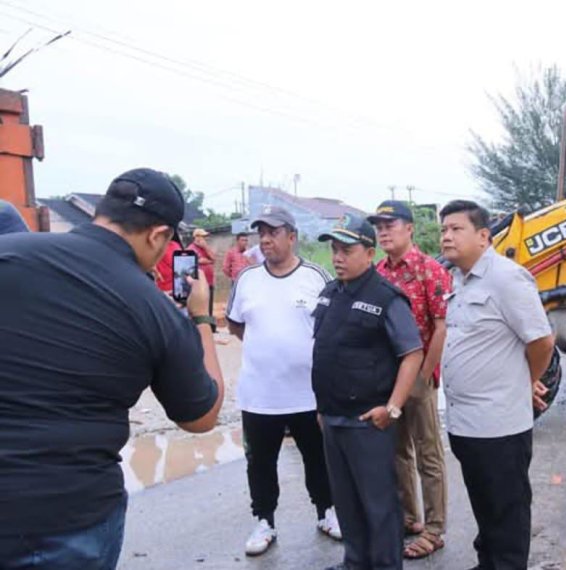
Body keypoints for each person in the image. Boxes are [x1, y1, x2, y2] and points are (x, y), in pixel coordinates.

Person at [0, 167, 225, 570]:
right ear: (157, 235)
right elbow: (201, 415)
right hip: (69, 519)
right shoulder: (153, 308)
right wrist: (202, 320)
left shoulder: (11, 251)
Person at [439, 200, 555, 570]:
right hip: (466, 423)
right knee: (485, 506)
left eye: (456, 229)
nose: (446, 236)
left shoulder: (506, 278)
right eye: (443, 229)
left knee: (506, 511)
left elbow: (541, 341)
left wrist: (526, 381)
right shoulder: (458, 278)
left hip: (499, 425)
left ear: (483, 236)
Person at [226, 205, 341, 556]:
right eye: (261, 232)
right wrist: (270, 348)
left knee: (317, 458)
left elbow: (331, 327)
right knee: (260, 461)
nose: (265, 239)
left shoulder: (316, 276)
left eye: (273, 232)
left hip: (308, 394)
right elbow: (235, 323)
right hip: (260, 395)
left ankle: (327, 511)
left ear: (291, 236)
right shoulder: (247, 279)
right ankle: (264, 521)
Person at [314, 215, 424, 570]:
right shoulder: (330, 293)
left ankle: (386, 565)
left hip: (368, 420)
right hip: (333, 417)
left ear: (370, 253)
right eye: (334, 249)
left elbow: (412, 354)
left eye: (346, 250)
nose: (338, 257)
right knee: (346, 501)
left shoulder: (387, 298)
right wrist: (322, 408)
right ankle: (355, 562)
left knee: (378, 504)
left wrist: (392, 408)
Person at [368, 200, 450, 559]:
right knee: (396, 451)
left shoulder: (429, 270)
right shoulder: (377, 272)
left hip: (418, 378)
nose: (383, 231)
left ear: (410, 228)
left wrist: (422, 377)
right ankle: (409, 518)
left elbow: (441, 325)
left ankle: (434, 529)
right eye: (379, 226)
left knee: (428, 454)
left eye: (391, 224)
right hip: (388, 379)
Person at [188, 228, 217, 318]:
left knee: (209, 305)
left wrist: (205, 247)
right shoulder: (191, 249)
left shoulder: (205, 248)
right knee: (200, 307)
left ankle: (210, 327)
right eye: (203, 236)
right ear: (196, 237)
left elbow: (214, 258)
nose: (205, 239)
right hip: (199, 283)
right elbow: (199, 260)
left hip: (209, 281)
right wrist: (210, 261)